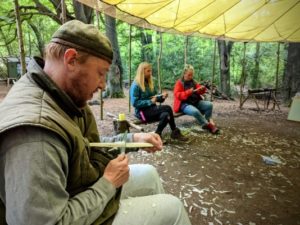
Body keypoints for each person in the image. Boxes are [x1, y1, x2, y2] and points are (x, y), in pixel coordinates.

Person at [0, 20, 192, 225]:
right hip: (74, 208)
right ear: (71, 59)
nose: (102, 84)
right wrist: (108, 184)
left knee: (150, 174)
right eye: (101, 73)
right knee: (174, 209)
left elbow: (84, 146)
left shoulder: (57, 94)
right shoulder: (35, 138)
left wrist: (134, 138)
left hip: (78, 188)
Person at [130, 62, 188, 141]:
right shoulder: (135, 85)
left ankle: (157, 134)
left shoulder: (149, 83)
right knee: (167, 108)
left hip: (152, 110)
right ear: (142, 71)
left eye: (151, 71)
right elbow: (135, 103)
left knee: (166, 115)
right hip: (142, 113)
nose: (150, 73)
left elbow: (156, 97)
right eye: (148, 71)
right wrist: (150, 102)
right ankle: (174, 132)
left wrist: (162, 97)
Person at [173, 64, 219, 134]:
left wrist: (202, 89)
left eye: (191, 75)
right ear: (184, 74)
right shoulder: (179, 83)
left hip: (195, 102)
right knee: (195, 111)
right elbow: (177, 95)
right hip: (184, 104)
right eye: (189, 75)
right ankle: (208, 125)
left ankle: (205, 122)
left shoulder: (193, 82)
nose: (190, 77)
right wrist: (188, 92)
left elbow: (199, 90)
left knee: (209, 105)